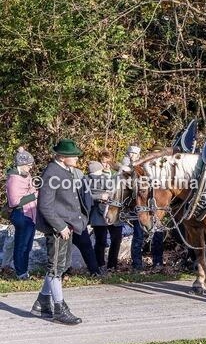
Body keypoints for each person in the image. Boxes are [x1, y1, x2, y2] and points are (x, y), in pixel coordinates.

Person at [33, 139, 88, 325]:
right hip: (58, 229)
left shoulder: (63, 170)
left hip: (67, 226)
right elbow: (45, 206)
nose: (77, 158)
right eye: (73, 156)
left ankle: (42, 302)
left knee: (61, 266)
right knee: (56, 268)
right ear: (62, 157)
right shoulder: (51, 172)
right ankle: (59, 309)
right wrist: (60, 226)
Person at [122, 143, 163, 270]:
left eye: (135, 153)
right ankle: (137, 264)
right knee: (138, 236)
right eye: (131, 153)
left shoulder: (161, 169)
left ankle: (158, 263)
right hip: (139, 206)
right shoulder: (134, 168)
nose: (133, 155)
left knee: (158, 235)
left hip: (156, 207)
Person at [86, 155, 123, 271]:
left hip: (112, 211)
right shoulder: (86, 179)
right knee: (100, 241)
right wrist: (99, 196)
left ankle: (112, 265)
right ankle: (100, 264)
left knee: (116, 238)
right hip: (98, 213)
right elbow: (85, 196)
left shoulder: (111, 176)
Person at [6, 147, 37, 280]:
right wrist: (34, 195)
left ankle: (24, 270)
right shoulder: (14, 178)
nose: (30, 168)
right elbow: (14, 201)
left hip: (30, 214)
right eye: (29, 165)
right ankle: (21, 273)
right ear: (22, 164)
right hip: (21, 214)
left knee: (27, 245)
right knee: (22, 245)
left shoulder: (26, 175)